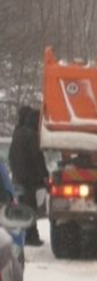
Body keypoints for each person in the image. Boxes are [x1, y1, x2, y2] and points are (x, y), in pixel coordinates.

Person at [8, 106, 47, 247]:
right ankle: (32, 236)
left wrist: (15, 173)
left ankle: (25, 235)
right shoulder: (31, 135)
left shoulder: (17, 133)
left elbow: (11, 155)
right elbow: (37, 156)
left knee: (23, 207)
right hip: (30, 179)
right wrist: (44, 175)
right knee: (31, 208)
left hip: (19, 177)